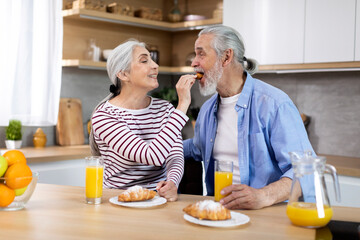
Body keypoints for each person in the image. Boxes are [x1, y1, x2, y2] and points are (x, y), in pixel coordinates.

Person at [183, 25, 315, 209]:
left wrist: (263, 196)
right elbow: (196, 148)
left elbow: (306, 170)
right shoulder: (207, 110)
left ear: (226, 57)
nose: (194, 63)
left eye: (201, 54)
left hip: (268, 214)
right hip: (220, 211)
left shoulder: (274, 104)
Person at [89, 39, 196, 201]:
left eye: (153, 59)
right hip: (118, 201)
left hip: (157, 199)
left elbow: (174, 156)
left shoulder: (164, 109)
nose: (155, 65)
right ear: (123, 74)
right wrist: (183, 105)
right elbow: (152, 156)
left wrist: (172, 183)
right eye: (144, 60)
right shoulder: (104, 116)